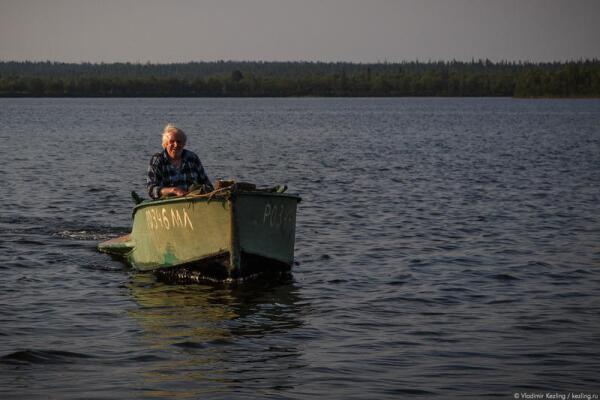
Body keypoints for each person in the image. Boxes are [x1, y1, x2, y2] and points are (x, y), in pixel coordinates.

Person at [147, 123, 213, 199]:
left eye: (179, 142)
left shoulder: (192, 158)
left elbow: (207, 184)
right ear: (165, 144)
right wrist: (174, 190)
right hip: (168, 204)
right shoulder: (157, 160)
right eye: (172, 141)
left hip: (193, 201)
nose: (176, 145)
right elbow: (151, 190)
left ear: (184, 143)